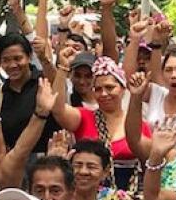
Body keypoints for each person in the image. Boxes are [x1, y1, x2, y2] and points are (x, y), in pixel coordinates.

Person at [53, 56, 152, 191]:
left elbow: (147, 160)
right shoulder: (84, 117)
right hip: (90, 193)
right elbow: (58, 109)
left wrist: (137, 96)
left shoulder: (137, 125)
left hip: (129, 194)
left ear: (123, 89)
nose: (104, 94)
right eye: (98, 89)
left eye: (109, 87)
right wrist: (63, 68)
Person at [0, 33, 58, 154]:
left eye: (18, 58)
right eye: (6, 60)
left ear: (29, 56)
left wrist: (44, 58)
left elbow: (57, 83)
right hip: (12, 162)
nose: (12, 65)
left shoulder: (44, 83)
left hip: (48, 159)